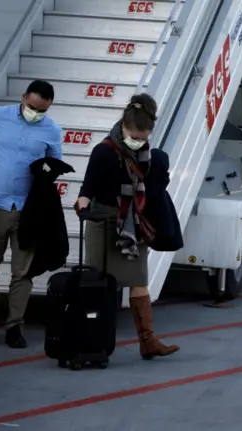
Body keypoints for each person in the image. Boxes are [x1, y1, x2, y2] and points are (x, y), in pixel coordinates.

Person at [75, 93, 179, 360]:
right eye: (134, 135)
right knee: (100, 284)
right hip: (103, 223)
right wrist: (82, 205)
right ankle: (93, 340)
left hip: (132, 223)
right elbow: (87, 189)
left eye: (143, 137)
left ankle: (148, 341)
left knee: (139, 282)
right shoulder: (104, 151)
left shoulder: (149, 156)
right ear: (123, 126)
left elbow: (154, 190)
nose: (138, 141)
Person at [0, 80, 62, 348]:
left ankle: (15, 326)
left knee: (22, 272)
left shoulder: (51, 130)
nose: (35, 113)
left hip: (28, 210)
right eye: (32, 107)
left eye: (41, 111)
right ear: (23, 97)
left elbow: (55, 165)